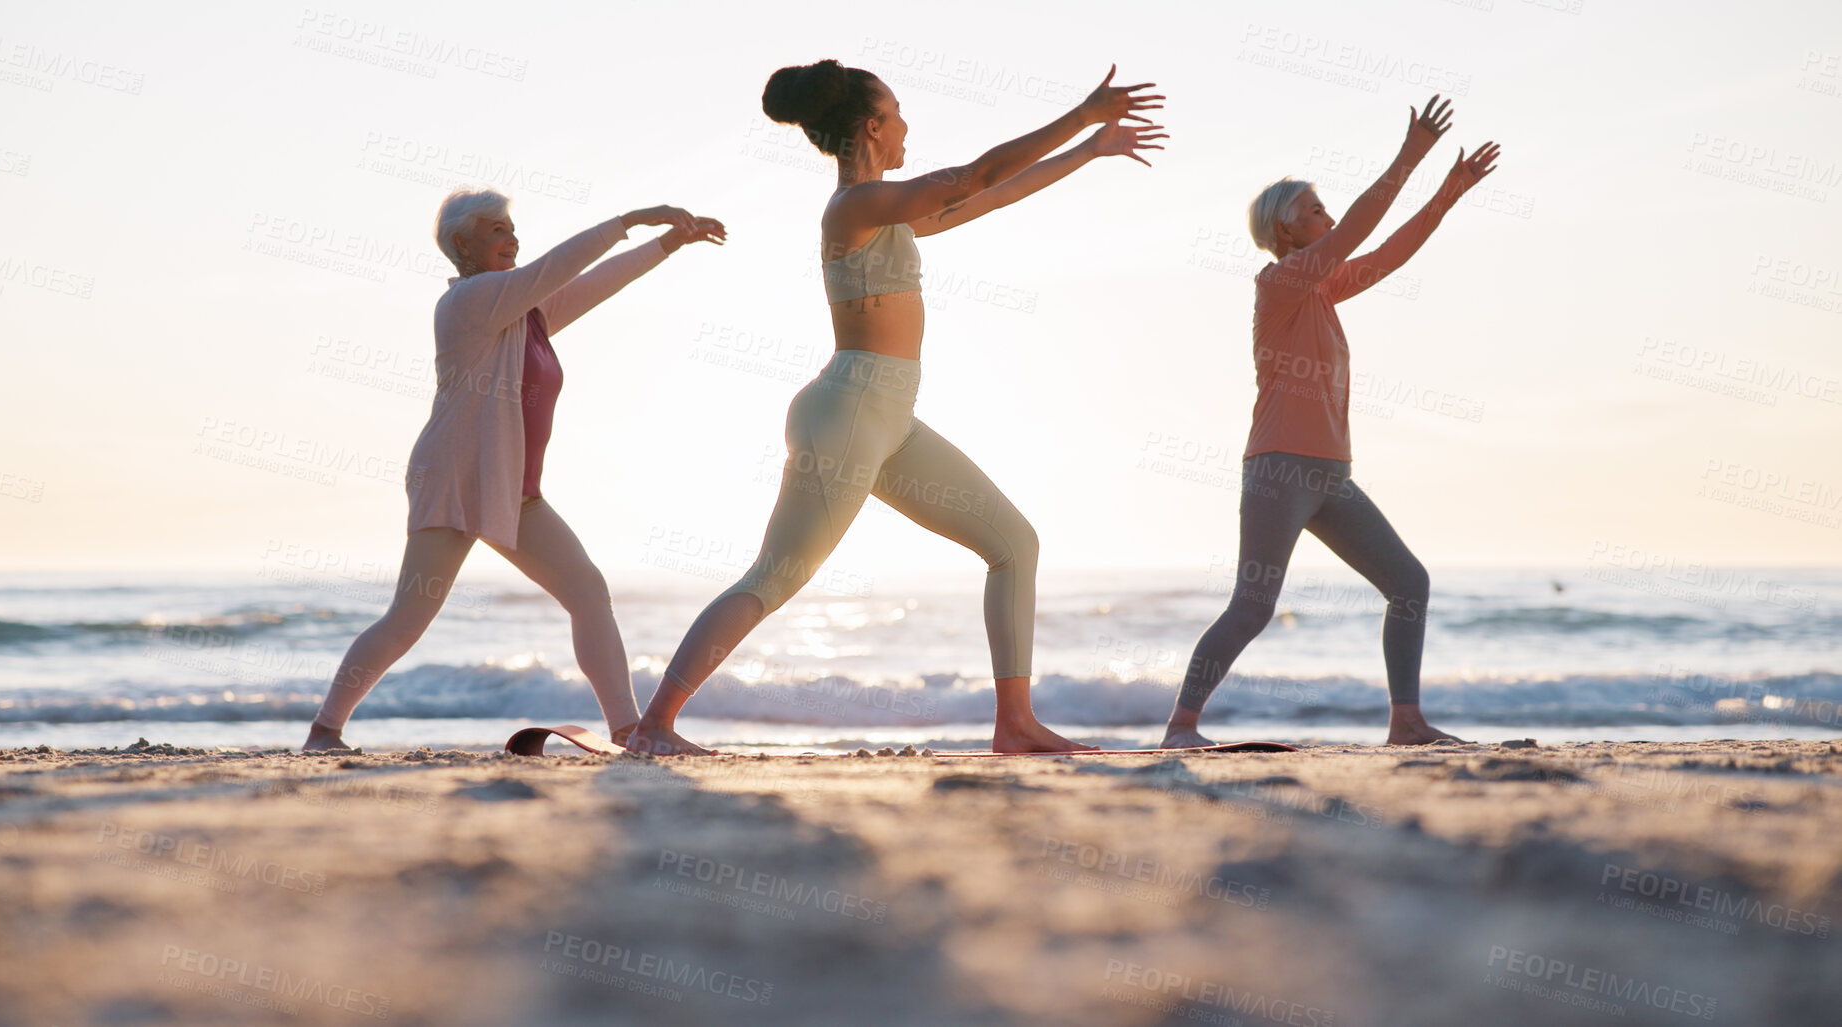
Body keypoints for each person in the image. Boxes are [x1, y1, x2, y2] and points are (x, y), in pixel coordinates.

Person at [627, 60, 1166, 756]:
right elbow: (974, 176)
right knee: (777, 575)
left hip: (889, 419)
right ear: (873, 126)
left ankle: (1016, 723)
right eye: (900, 111)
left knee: (1012, 544)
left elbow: (989, 196)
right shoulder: (854, 206)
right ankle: (653, 726)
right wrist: (1082, 114)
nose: (910, 124)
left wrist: (1086, 152)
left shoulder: (888, 212)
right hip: (848, 410)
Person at [301, 189, 726, 751]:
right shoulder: (471, 301)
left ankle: (629, 730)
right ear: (462, 244)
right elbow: (557, 266)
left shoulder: (528, 311)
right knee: (408, 617)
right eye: (496, 229)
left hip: (512, 489)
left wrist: (669, 241)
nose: (512, 238)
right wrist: (631, 219)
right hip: (454, 478)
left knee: (587, 592)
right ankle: (325, 731)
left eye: (512, 227)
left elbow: (595, 284)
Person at [1160, 95, 1499, 749]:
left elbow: (1387, 252)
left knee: (1407, 583)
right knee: (1252, 606)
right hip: (1278, 468)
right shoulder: (1280, 283)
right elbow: (1360, 233)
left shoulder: (1321, 288)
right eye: (1313, 209)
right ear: (1284, 231)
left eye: (1324, 206)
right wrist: (1410, 156)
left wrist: (1447, 194)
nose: (1327, 216)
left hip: (1331, 476)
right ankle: (1180, 726)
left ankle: (1405, 722)